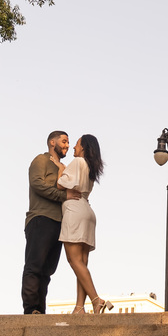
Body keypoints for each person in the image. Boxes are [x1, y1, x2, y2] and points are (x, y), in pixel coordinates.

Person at [52, 133, 112, 314]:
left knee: (74, 260)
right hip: (87, 210)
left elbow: (61, 185)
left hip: (74, 210)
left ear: (84, 147)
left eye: (76, 144)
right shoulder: (91, 168)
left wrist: (60, 168)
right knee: (82, 263)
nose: (73, 148)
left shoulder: (77, 162)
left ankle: (96, 300)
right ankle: (79, 307)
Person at [22, 130, 70, 314]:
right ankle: (30, 309)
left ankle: (39, 312)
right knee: (34, 266)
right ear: (52, 142)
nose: (66, 145)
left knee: (47, 271)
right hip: (40, 218)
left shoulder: (63, 167)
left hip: (59, 223)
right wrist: (62, 196)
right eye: (64, 141)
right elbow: (37, 183)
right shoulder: (41, 160)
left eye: (68, 142)